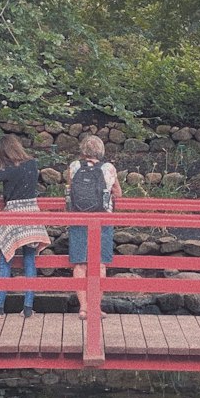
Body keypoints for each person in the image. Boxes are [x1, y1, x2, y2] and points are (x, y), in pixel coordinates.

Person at [0, 134, 51, 318]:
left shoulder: (10, 169)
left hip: (14, 213)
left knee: (6, 258)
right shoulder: (32, 164)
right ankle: (27, 307)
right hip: (32, 212)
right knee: (29, 260)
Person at [66, 134, 121, 319]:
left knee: (80, 263)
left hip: (78, 218)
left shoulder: (74, 166)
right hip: (102, 220)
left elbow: (70, 189)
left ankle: (83, 308)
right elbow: (118, 193)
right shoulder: (108, 168)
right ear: (101, 150)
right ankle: (96, 308)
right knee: (100, 264)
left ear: (83, 150)